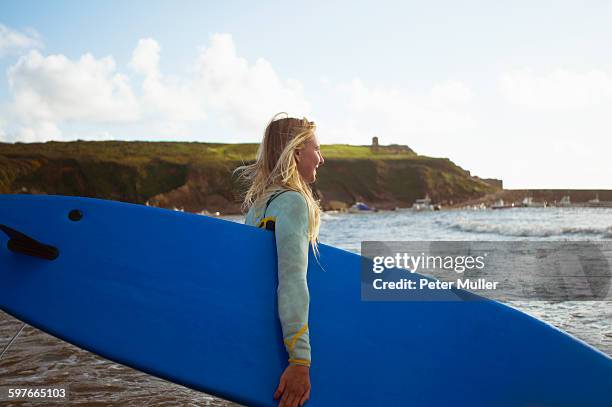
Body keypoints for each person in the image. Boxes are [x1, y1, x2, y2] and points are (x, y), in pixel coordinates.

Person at [236, 112, 324, 407]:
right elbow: (292, 281)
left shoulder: (258, 206)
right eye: (316, 149)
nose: (320, 158)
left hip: (256, 343)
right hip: (285, 352)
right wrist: (300, 360)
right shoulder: (293, 202)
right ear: (298, 153)